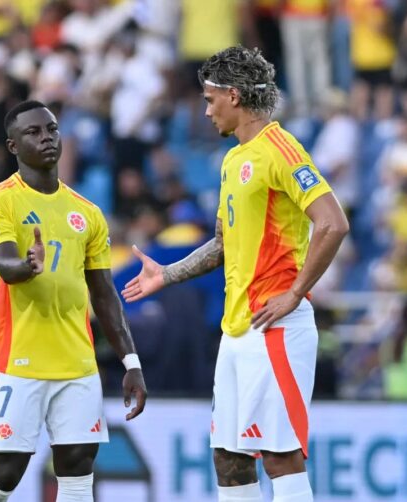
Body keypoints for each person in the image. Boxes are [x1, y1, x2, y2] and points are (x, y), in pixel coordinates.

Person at [122, 46, 349, 502]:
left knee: (280, 456)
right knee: (229, 459)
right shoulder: (233, 160)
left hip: (276, 327)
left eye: (210, 100)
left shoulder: (281, 150)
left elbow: (333, 223)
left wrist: (295, 293)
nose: (207, 112)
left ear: (234, 96)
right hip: (238, 330)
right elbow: (224, 244)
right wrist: (167, 274)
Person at [0, 100, 148, 502]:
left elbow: (104, 294)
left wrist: (131, 363)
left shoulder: (88, 213)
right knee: (5, 475)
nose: (46, 138)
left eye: (51, 129)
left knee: (78, 471)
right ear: (13, 146)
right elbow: (5, 264)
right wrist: (27, 265)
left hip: (77, 364)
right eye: (33, 132)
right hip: (19, 360)